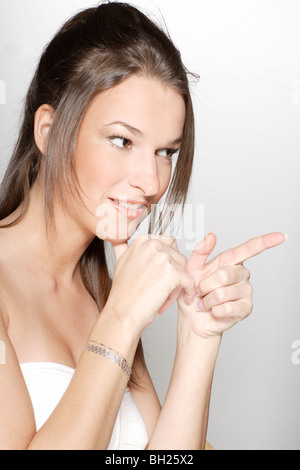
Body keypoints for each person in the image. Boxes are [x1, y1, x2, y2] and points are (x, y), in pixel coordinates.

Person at [0, 2, 286, 450]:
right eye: (122, 140)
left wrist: (199, 337)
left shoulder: (101, 289)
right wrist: (122, 317)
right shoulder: (114, 304)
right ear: (49, 130)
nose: (152, 182)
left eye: (166, 152)